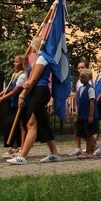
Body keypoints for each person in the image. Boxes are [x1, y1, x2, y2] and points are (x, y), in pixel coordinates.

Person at [7, 36, 61, 165]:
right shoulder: (37, 59)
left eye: (32, 43)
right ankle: (54, 153)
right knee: (42, 123)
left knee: (31, 124)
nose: (30, 46)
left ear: (36, 45)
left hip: (40, 91)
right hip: (36, 92)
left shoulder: (42, 59)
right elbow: (29, 78)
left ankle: (23, 156)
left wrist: (23, 94)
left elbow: (33, 79)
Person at [0, 54, 27, 157]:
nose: (14, 63)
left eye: (16, 62)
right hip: (12, 103)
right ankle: (14, 147)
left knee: (21, 125)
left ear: (22, 63)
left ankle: (22, 147)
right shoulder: (15, 74)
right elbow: (9, 87)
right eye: (14, 61)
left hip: (19, 102)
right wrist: (0, 94)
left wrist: (4, 98)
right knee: (11, 124)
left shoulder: (23, 75)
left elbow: (15, 90)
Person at [74, 68, 99, 157]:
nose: (81, 79)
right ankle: (95, 145)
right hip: (81, 114)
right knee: (81, 133)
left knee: (88, 134)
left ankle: (88, 152)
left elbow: (92, 102)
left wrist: (91, 115)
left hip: (88, 114)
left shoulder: (90, 89)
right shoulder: (80, 88)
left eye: (83, 77)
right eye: (80, 77)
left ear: (88, 78)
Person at [68, 60, 89, 157]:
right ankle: (78, 147)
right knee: (76, 126)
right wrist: (76, 107)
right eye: (79, 68)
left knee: (85, 129)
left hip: (86, 108)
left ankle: (94, 145)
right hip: (79, 107)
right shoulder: (78, 81)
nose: (80, 69)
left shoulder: (89, 81)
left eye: (82, 67)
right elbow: (77, 94)